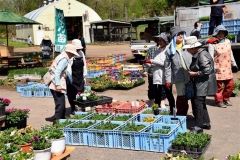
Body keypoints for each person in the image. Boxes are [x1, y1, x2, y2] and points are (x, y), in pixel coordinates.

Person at [183, 36, 216, 132]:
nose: (188, 51)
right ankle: (206, 122)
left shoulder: (202, 55)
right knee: (201, 103)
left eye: (188, 49)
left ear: (193, 48)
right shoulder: (199, 53)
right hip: (201, 82)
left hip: (203, 83)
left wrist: (195, 73)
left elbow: (207, 70)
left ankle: (199, 126)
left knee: (198, 103)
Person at [45, 44, 79, 123]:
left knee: (60, 102)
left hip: (53, 81)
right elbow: (57, 72)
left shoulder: (61, 56)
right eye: (73, 54)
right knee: (60, 104)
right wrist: (58, 85)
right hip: (56, 83)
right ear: (70, 52)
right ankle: (57, 122)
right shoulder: (64, 59)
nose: (73, 55)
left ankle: (62, 119)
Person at [208, 25, 238, 107]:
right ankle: (219, 101)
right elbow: (210, 57)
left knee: (230, 85)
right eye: (219, 33)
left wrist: (234, 64)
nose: (221, 34)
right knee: (219, 87)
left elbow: (230, 53)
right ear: (216, 33)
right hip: (218, 68)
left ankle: (226, 99)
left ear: (225, 34)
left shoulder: (228, 41)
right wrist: (213, 68)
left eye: (223, 33)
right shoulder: (212, 44)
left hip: (227, 68)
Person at [165, 26, 192, 116]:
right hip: (178, 77)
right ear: (173, 37)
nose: (180, 36)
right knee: (181, 96)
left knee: (192, 95)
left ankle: (196, 114)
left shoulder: (188, 45)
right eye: (178, 34)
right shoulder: (170, 50)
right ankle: (181, 114)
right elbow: (167, 66)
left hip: (191, 75)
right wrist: (168, 80)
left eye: (181, 34)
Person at [145, 33, 175, 112]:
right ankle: (155, 112)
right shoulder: (157, 50)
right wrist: (147, 64)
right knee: (156, 95)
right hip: (157, 76)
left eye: (162, 40)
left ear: (165, 41)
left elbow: (164, 63)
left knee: (168, 95)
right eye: (159, 40)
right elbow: (155, 62)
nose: (160, 42)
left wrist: (151, 61)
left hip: (165, 76)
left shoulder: (168, 50)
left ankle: (173, 111)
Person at [66, 39, 87, 115]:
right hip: (72, 77)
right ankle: (73, 108)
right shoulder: (70, 55)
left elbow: (84, 65)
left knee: (81, 93)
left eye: (79, 49)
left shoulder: (81, 53)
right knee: (71, 94)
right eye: (77, 49)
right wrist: (70, 79)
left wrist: (84, 76)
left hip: (80, 76)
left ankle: (81, 107)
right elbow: (68, 69)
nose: (78, 50)